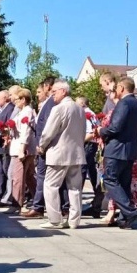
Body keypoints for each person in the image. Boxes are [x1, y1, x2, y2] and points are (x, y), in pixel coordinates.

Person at [38, 79, 86, 229]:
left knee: (51, 185)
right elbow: (83, 132)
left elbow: (48, 132)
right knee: (75, 188)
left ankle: (54, 219)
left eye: (54, 92)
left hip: (58, 153)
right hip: (76, 153)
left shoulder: (58, 109)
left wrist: (42, 146)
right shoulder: (80, 109)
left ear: (63, 91)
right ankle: (74, 220)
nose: (52, 95)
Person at [98, 77, 137, 229]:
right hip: (130, 151)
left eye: (117, 87)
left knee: (110, 179)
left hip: (116, 150)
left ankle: (131, 212)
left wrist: (101, 131)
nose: (115, 90)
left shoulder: (124, 103)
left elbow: (115, 127)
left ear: (122, 88)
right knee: (124, 184)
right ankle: (125, 219)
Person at [22, 77, 57, 219]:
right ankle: (39, 206)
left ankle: (38, 207)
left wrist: (41, 145)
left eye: (39, 91)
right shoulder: (47, 103)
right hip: (43, 146)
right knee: (42, 176)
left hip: (45, 147)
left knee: (42, 176)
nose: (37, 94)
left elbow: (47, 127)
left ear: (47, 87)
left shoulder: (51, 103)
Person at [4, 88, 37, 215]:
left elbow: (26, 131)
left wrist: (22, 149)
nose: (15, 101)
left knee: (18, 177)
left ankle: (17, 204)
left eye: (17, 99)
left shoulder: (27, 112)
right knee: (29, 177)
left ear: (23, 99)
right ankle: (39, 200)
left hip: (22, 149)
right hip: (21, 147)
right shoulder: (22, 111)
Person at [76, 96, 103, 218]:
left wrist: (79, 141)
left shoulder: (85, 114)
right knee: (92, 173)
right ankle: (97, 201)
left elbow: (91, 133)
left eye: (76, 103)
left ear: (82, 103)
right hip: (92, 145)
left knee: (81, 171)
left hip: (87, 144)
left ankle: (76, 203)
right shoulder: (92, 114)